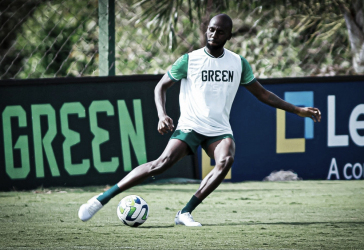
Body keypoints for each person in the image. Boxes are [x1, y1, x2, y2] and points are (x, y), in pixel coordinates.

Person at [78, 13, 321, 226]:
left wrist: (298, 111)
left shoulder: (237, 63)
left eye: (220, 31)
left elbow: (263, 94)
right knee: (160, 164)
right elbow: (160, 87)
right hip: (191, 125)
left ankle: (185, 212)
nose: (214, 34)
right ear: (207, 31)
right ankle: (101, 199)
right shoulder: (190, 59)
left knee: (226, 159)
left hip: (218, 129)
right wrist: (162, 115)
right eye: (211, 29)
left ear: (229, 36)